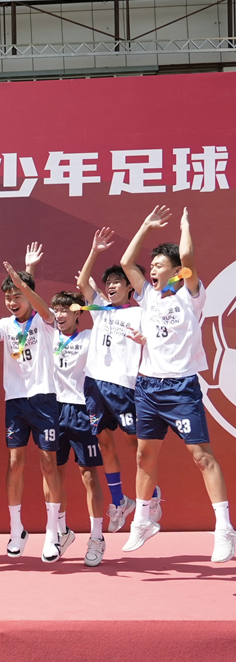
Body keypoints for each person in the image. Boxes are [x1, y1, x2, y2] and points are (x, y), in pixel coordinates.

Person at [119, 205, 234, 561]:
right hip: (147, 388)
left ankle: (224, 530)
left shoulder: (190, 295)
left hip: (181, 388)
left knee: (202, 457)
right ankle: (142, 521)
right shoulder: (148, 296)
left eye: (158, 265)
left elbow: (187, 257)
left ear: (175, 271)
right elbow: (126, 263)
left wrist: (184, 226)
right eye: (151, 266)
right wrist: (144, 225)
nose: (152, 270)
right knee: (144, 456)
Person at [76, 227, 159, 533]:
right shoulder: (99, 308)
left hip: (124, 387)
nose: (110, 286)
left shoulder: (140, 313)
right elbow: (83, 283)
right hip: (94, 385)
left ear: (129, 287)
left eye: (116, 282)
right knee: (104, 443)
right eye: (108, 282)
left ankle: (153, 494)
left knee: (136, 444)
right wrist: (94, 250)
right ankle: (119, 502)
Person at [0, 263, 64, 562]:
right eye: (8, 297)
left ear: (28, 295)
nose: (12, 302)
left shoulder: (44, 320)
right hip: (15, 401)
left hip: (44, 398)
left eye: (17, 296)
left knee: (48, 464)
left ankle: (52, 533)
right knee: (15, 463)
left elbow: (45, 310)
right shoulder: (5, 324)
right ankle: (16, 530)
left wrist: (25, 283)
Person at [49, 291, 106, 566]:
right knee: (55, 476)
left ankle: (96, 537)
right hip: (54, 411)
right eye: (56, 310)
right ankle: (62, 532)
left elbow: (105, 317)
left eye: (65, 310)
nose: (59, 315)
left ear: (77, 313)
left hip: (82, 411)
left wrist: (89, 292)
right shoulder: (48, 336)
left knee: (89, 476)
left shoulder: (89, 338)